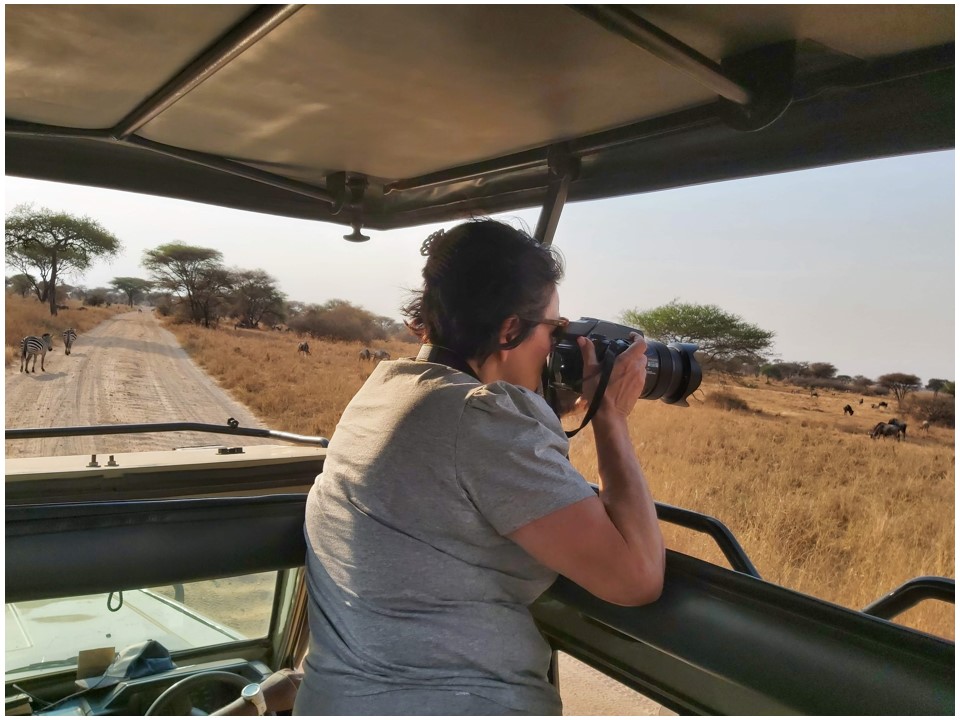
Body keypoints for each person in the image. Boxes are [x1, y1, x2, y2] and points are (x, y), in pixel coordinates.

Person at [294, 219, 665, 716]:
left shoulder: (389, 392)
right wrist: (611, 418)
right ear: (510, 329)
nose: (557, 345)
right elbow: (636, 579)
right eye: (554, 329)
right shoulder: (482, 419)